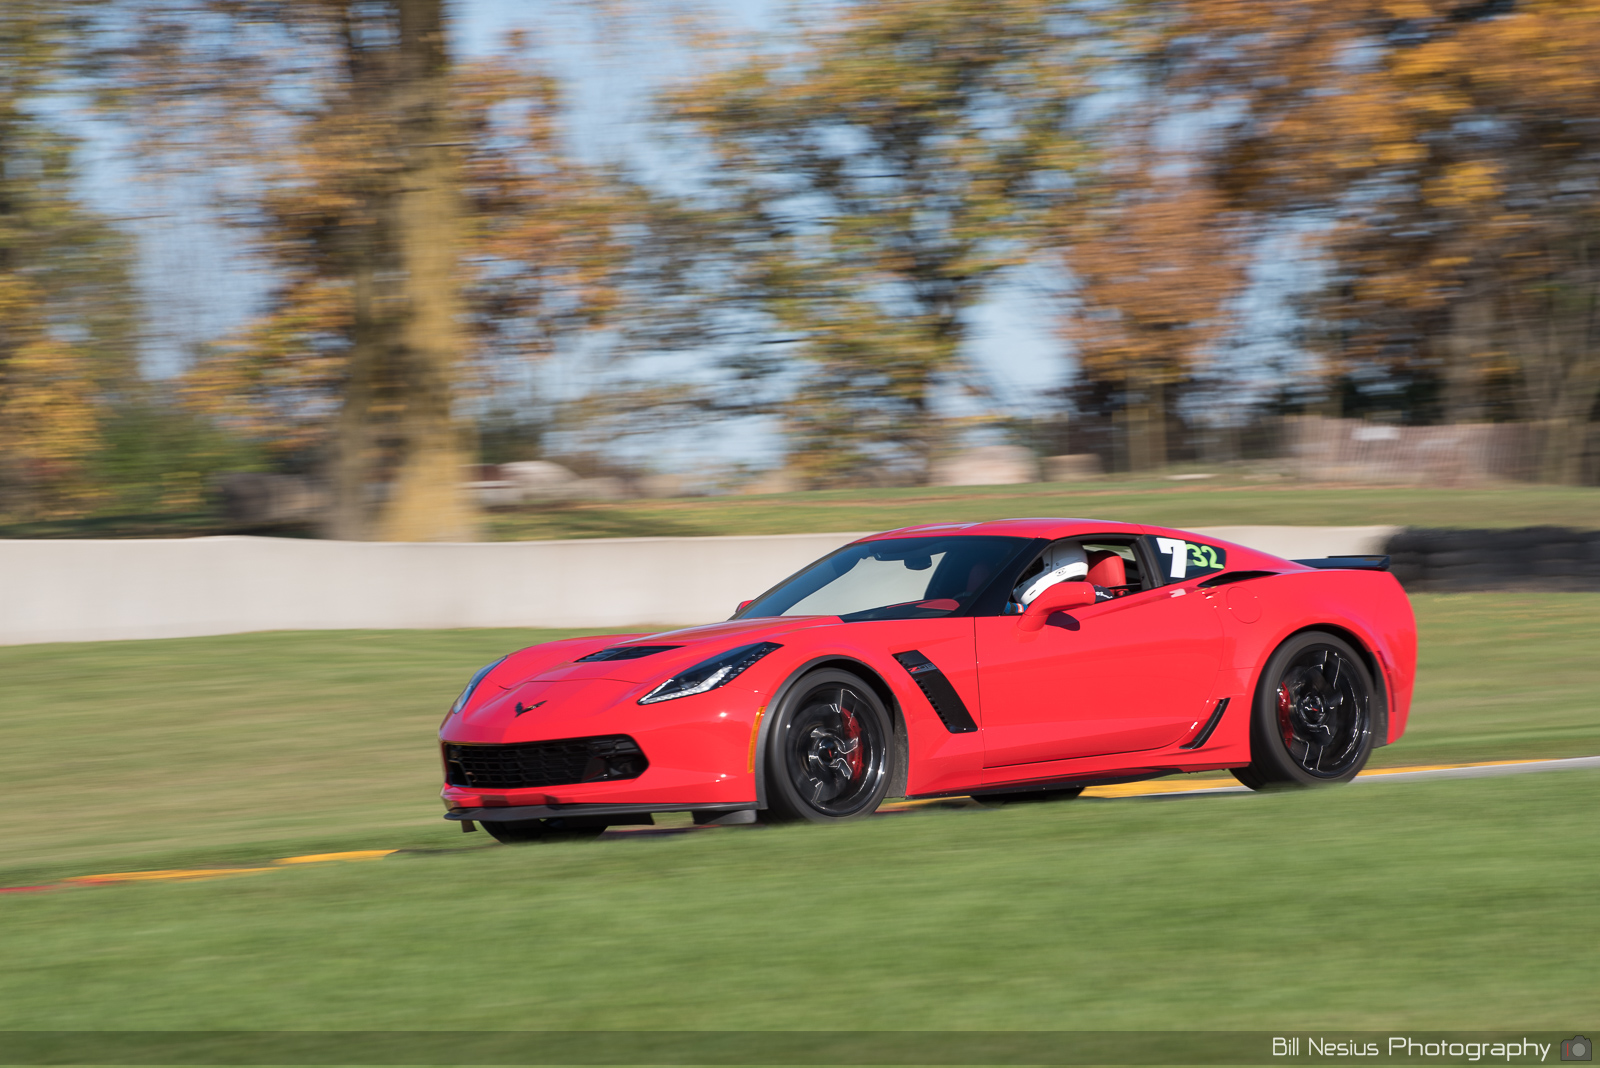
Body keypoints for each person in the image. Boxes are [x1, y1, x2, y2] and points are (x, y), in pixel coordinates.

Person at [1008, 541, 1113, 612]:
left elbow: (1047, 613)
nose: (1025, 574)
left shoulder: (1098, 595)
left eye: (1033, 568)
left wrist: (1009, 608)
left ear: (1059, 567)